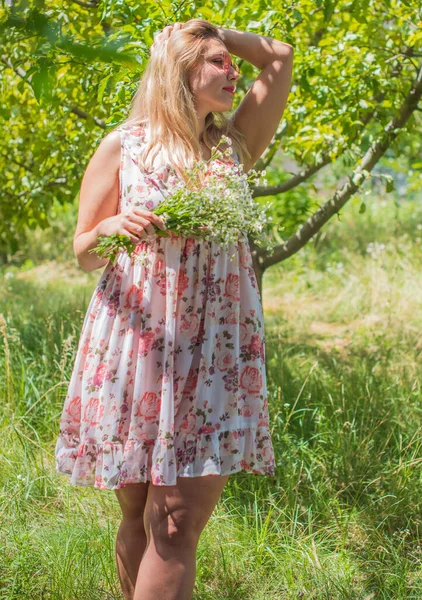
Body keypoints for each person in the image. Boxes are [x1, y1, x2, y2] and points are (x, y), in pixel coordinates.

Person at [54, 18, 293, 600]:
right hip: (136, 345)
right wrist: (112, 224)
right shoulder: (125, 145)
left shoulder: (233, 145)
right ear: (180, 72)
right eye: (216, 62)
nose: (232, 70)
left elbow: (280, 58)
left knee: (176, 522)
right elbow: (84, 251)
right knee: (138, 515)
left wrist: (210, 33)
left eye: (229, 62)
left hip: (212, 352)